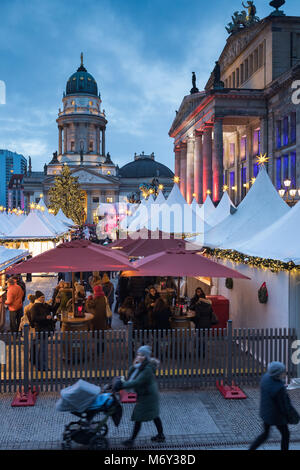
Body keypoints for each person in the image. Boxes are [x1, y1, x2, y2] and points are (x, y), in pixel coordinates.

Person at [117, 345, 165, 447]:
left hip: (148, 396)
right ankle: (161, 435)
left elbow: (137, 382)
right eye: (138, 354)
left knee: (138, 416)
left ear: (146, 357)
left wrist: (121, 385)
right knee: (154, 415)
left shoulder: (147, 369)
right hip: (147, 394)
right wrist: (134, 365)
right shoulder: (140, 366)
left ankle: (131, 440)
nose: (139, 356)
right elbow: (130, 375)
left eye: (142, 355)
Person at [249, 362, 296, 451]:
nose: (284, 373)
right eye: (282, 372)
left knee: (265, 434)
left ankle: (251, 448)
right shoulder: (279, 388)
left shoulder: (265, 378)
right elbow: (284, 406)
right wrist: (290, 416)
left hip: (266, 412)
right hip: (276, 416)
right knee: (285, 434)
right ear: (277, 373)